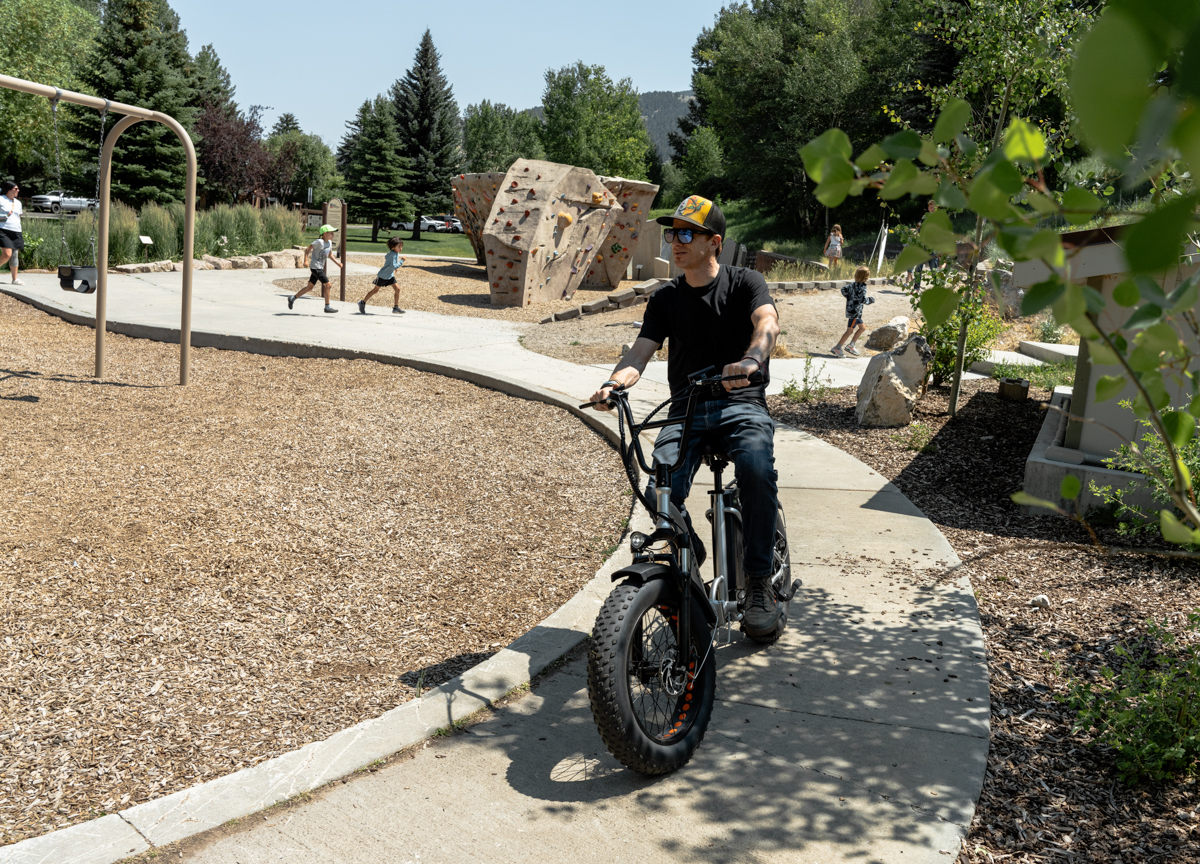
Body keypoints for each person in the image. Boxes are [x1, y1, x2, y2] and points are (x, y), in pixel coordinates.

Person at [587, 195, 783, 637]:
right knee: (661, 488)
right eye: (672, 232)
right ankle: (687, 545)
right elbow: (640, 352)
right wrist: (614, 384)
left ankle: (757, 582)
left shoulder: (745, 281)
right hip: (687, 409)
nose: (676, 240)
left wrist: (752, 359)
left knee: (755, 467)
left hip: (741, 402)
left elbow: (767, 323)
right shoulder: (666, 298)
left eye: (687, 233)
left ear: (714, 242)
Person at [287, 224, 343, 313]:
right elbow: (307, 249)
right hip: (315, 267)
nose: (333, 235)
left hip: (320, 268)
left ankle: (292, 298)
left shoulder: (329, 243)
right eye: (331, 233)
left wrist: (338, 263)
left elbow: (330, 255)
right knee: (328, 285)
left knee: (309, 287)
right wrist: (306, 261)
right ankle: (327, 307)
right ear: (324, 233)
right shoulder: (319, 242)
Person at [831, 265, 875, 357]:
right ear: (866, 277)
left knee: (862, 328)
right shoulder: (862, 287)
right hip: (855, 313)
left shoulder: (852, 284)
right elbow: (862, 299)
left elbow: (843, 290)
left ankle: (851, 345)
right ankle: (837, 348)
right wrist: (870, 300)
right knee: (849, 331)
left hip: (853, 311)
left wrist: (849, 298)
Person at [357, 237, 406, 314]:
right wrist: (402, 261)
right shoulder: (392, 255)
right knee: (375, 290)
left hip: (390, 275)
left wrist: (395, 268)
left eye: (401, 246)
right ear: (393, 247)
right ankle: (362, 302)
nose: (401, 248)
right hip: (383, 276)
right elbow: (394, 265)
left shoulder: (396, 253)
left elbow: (393, 264)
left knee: (398, 289)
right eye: (399, 246)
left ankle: (396, 307)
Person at [0, 181, 25, 285]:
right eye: (16, 189)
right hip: (3, 229)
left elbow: (18, 217)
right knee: (7, 254)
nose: (18, 191)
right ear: (9, 189)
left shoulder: (18, 203)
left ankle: (15, 279)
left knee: (14, 255)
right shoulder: (1, 199)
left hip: (16, 230)